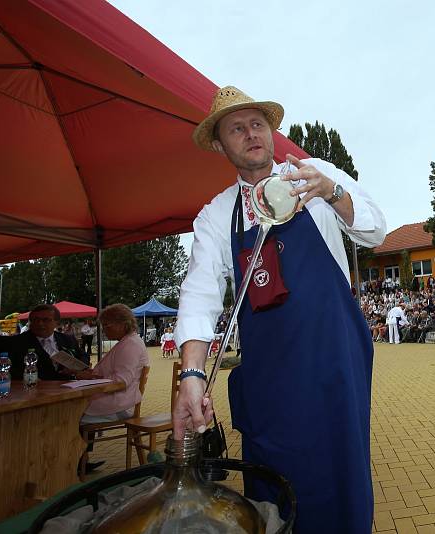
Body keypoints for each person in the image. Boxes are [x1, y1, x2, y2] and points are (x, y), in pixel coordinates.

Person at [173, 86, 386, 533]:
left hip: (334, 358)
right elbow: (199, 294)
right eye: (237, 128)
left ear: (272, 132)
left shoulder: (315, 173)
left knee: (340, 469)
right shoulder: (216, 216)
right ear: (219, 144)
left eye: (257, 124)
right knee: (273, 482)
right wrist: (192, 374)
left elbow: (375, 232)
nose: (251, 134)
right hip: (270, 373)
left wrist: (333, 194)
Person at [77, 304, 149, 423]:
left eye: (106, 325)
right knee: (69, 412)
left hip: (118, 405)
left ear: (123, 324)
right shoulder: (127, 342)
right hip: (116, 401)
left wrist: (92, 377)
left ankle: (79, 440)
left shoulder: (130, 345)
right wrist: (93, 374)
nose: (103, 330)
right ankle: (84, 440)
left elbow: (121, 381)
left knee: (69, 417)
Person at [9, 304, 88, 380]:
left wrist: (76, 368)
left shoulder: (68, 339)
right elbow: (11, 370)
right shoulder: (17, 342)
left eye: (46, 320)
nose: (40, 323)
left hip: (68, 387)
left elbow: (83, 355)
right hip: (33, 388)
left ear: (56, 323)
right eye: (36, 320)